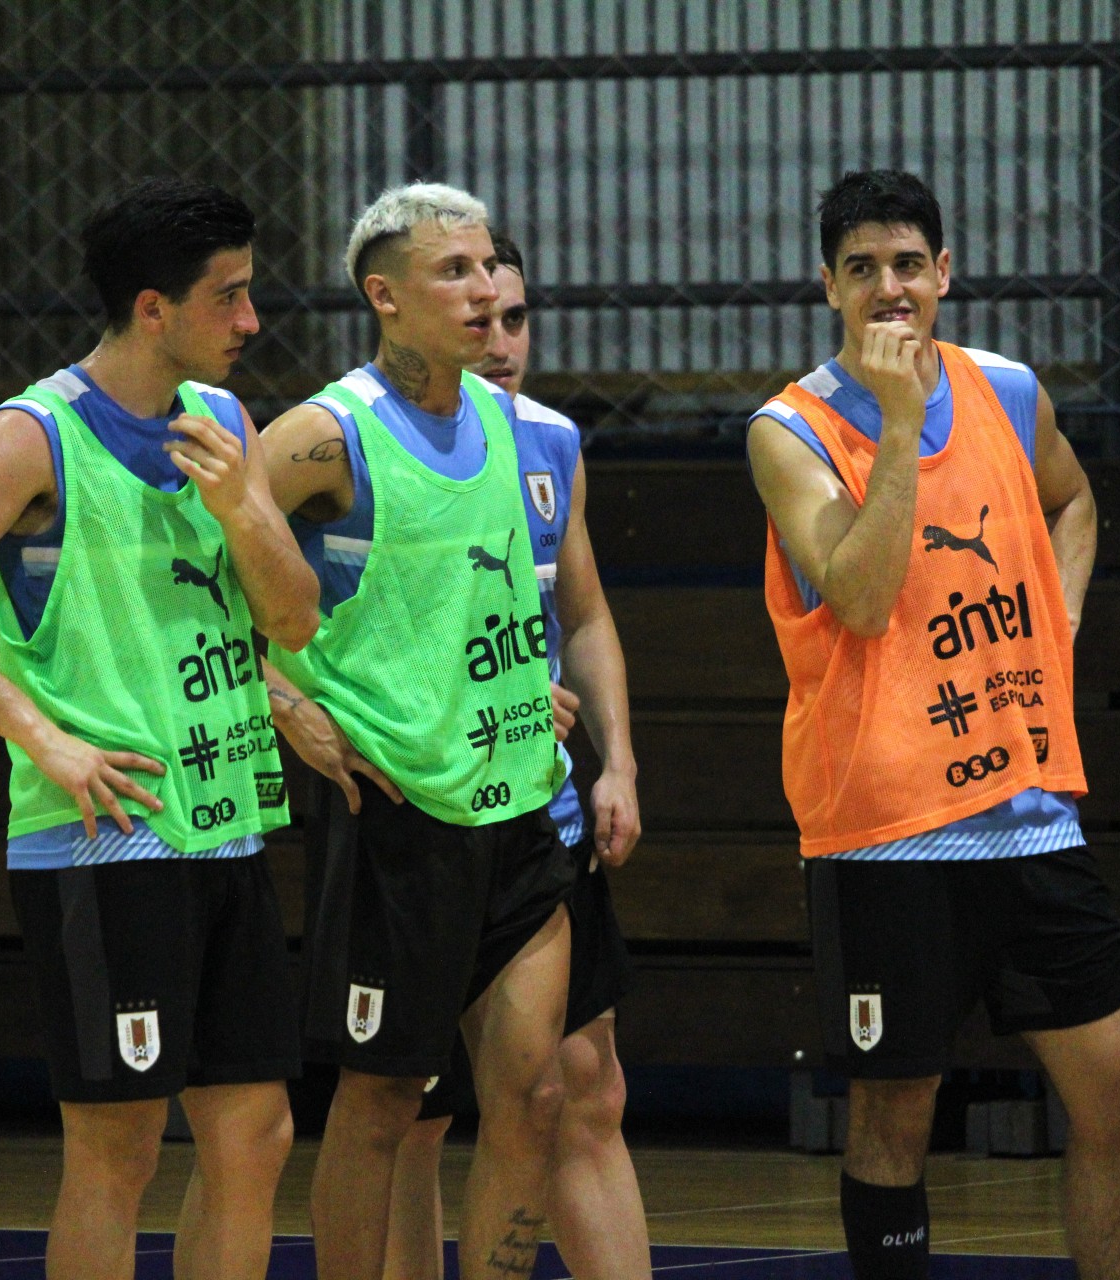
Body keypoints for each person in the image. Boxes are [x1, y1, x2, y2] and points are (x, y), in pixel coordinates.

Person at [0, 176, 315, 1280]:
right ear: (153, 308)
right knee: (119, 1144)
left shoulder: (223, 423)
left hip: (226, 819)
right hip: (106, 836)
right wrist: (43, 738)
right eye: (229, 297)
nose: (251, 321)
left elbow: (295, 615)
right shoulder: (35, 435)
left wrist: (244, 511)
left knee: (255, 1133)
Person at [745, 169, 1120, 1280]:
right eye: (865, 268)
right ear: (828, 283)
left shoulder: (1012, 392)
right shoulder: (789, 430)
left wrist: (1057, 620)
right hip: (889, 829)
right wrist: (898, 419)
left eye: (910, 264)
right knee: (895, 1114)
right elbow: (865, 595)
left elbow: (1074, 498)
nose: (891, 288)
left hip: (1028, 811)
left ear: (945, 272)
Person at [258, 183, 576, 1280]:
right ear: (384, 296)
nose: (486, 291)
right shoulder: (325, 433)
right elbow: (194, 565)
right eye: (456, 272)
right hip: (400, 814)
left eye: (490, 268)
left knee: (538, 1089)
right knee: (384, 1097)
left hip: (522, 800)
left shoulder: (507, 422)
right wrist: (277, 694)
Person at [378, 230, 651, 1280]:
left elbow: (582, 611)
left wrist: (616, 762)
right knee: (412, 1108)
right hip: (425, 811)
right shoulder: (359, 434)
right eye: (480, 313)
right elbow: (326, 614)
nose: (500, 337)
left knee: (586, 1085)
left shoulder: (551, 441)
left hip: (543, 814)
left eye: (516, 317)